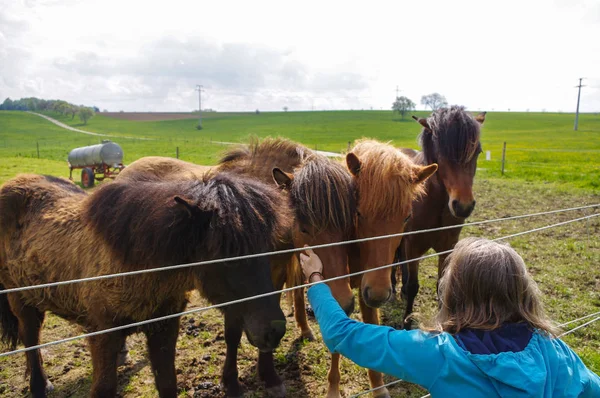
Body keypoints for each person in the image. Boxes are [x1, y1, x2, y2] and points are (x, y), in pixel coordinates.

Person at [300, 237, 600, 397]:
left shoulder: (440, 355)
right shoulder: (553, 349)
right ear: (522, 291)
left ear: (453, 291)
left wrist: (315, 277)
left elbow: (343, 334)